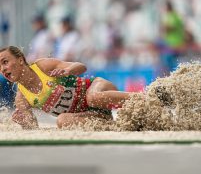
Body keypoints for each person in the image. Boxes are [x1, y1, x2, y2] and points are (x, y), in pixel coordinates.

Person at [0, 46, 131, 129]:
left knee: (91, 98)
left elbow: (81, 66)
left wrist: (68, 70)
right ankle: (112, 125)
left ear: (21, 60)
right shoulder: (21, 98)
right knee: (62, 120)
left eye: (5, 62)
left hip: (99, 89)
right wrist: (24, 123)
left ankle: (142, 98)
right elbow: (33, 127)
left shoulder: (42, 66)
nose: (3, 69)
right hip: (90, 114)